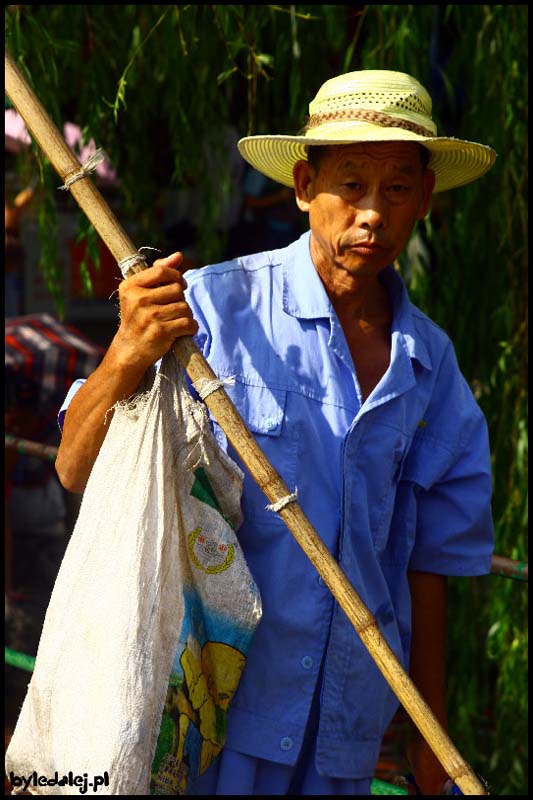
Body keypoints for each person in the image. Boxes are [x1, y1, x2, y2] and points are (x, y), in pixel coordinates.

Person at [55, 70, 496, 795]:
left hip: (342, 731)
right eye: (349, 185)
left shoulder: (429, 365)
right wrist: (127, 352)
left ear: (424, 198)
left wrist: (429, 733)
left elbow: (429, 563)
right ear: (302, 186)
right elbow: (75, 468)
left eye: (395, 191)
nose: (371, 217)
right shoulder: (208, 312)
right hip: (202, 707)